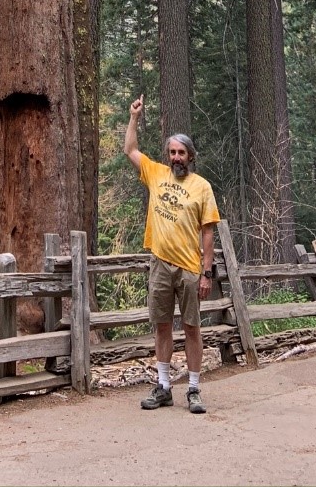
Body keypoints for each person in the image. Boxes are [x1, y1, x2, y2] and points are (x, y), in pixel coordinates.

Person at [124, 94, 220, 413]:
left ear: (190, 156)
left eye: (181, 153)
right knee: (162, 324)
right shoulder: (156, 174)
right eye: (172, 152)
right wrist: (134, 117)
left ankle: (193, 389)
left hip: (190, 268)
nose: (176, 157)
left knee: (192, 326)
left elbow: (208, 232)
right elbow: (131, 150)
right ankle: (164, 386)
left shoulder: (202, 187)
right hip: (160, 264)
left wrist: (207, 272)